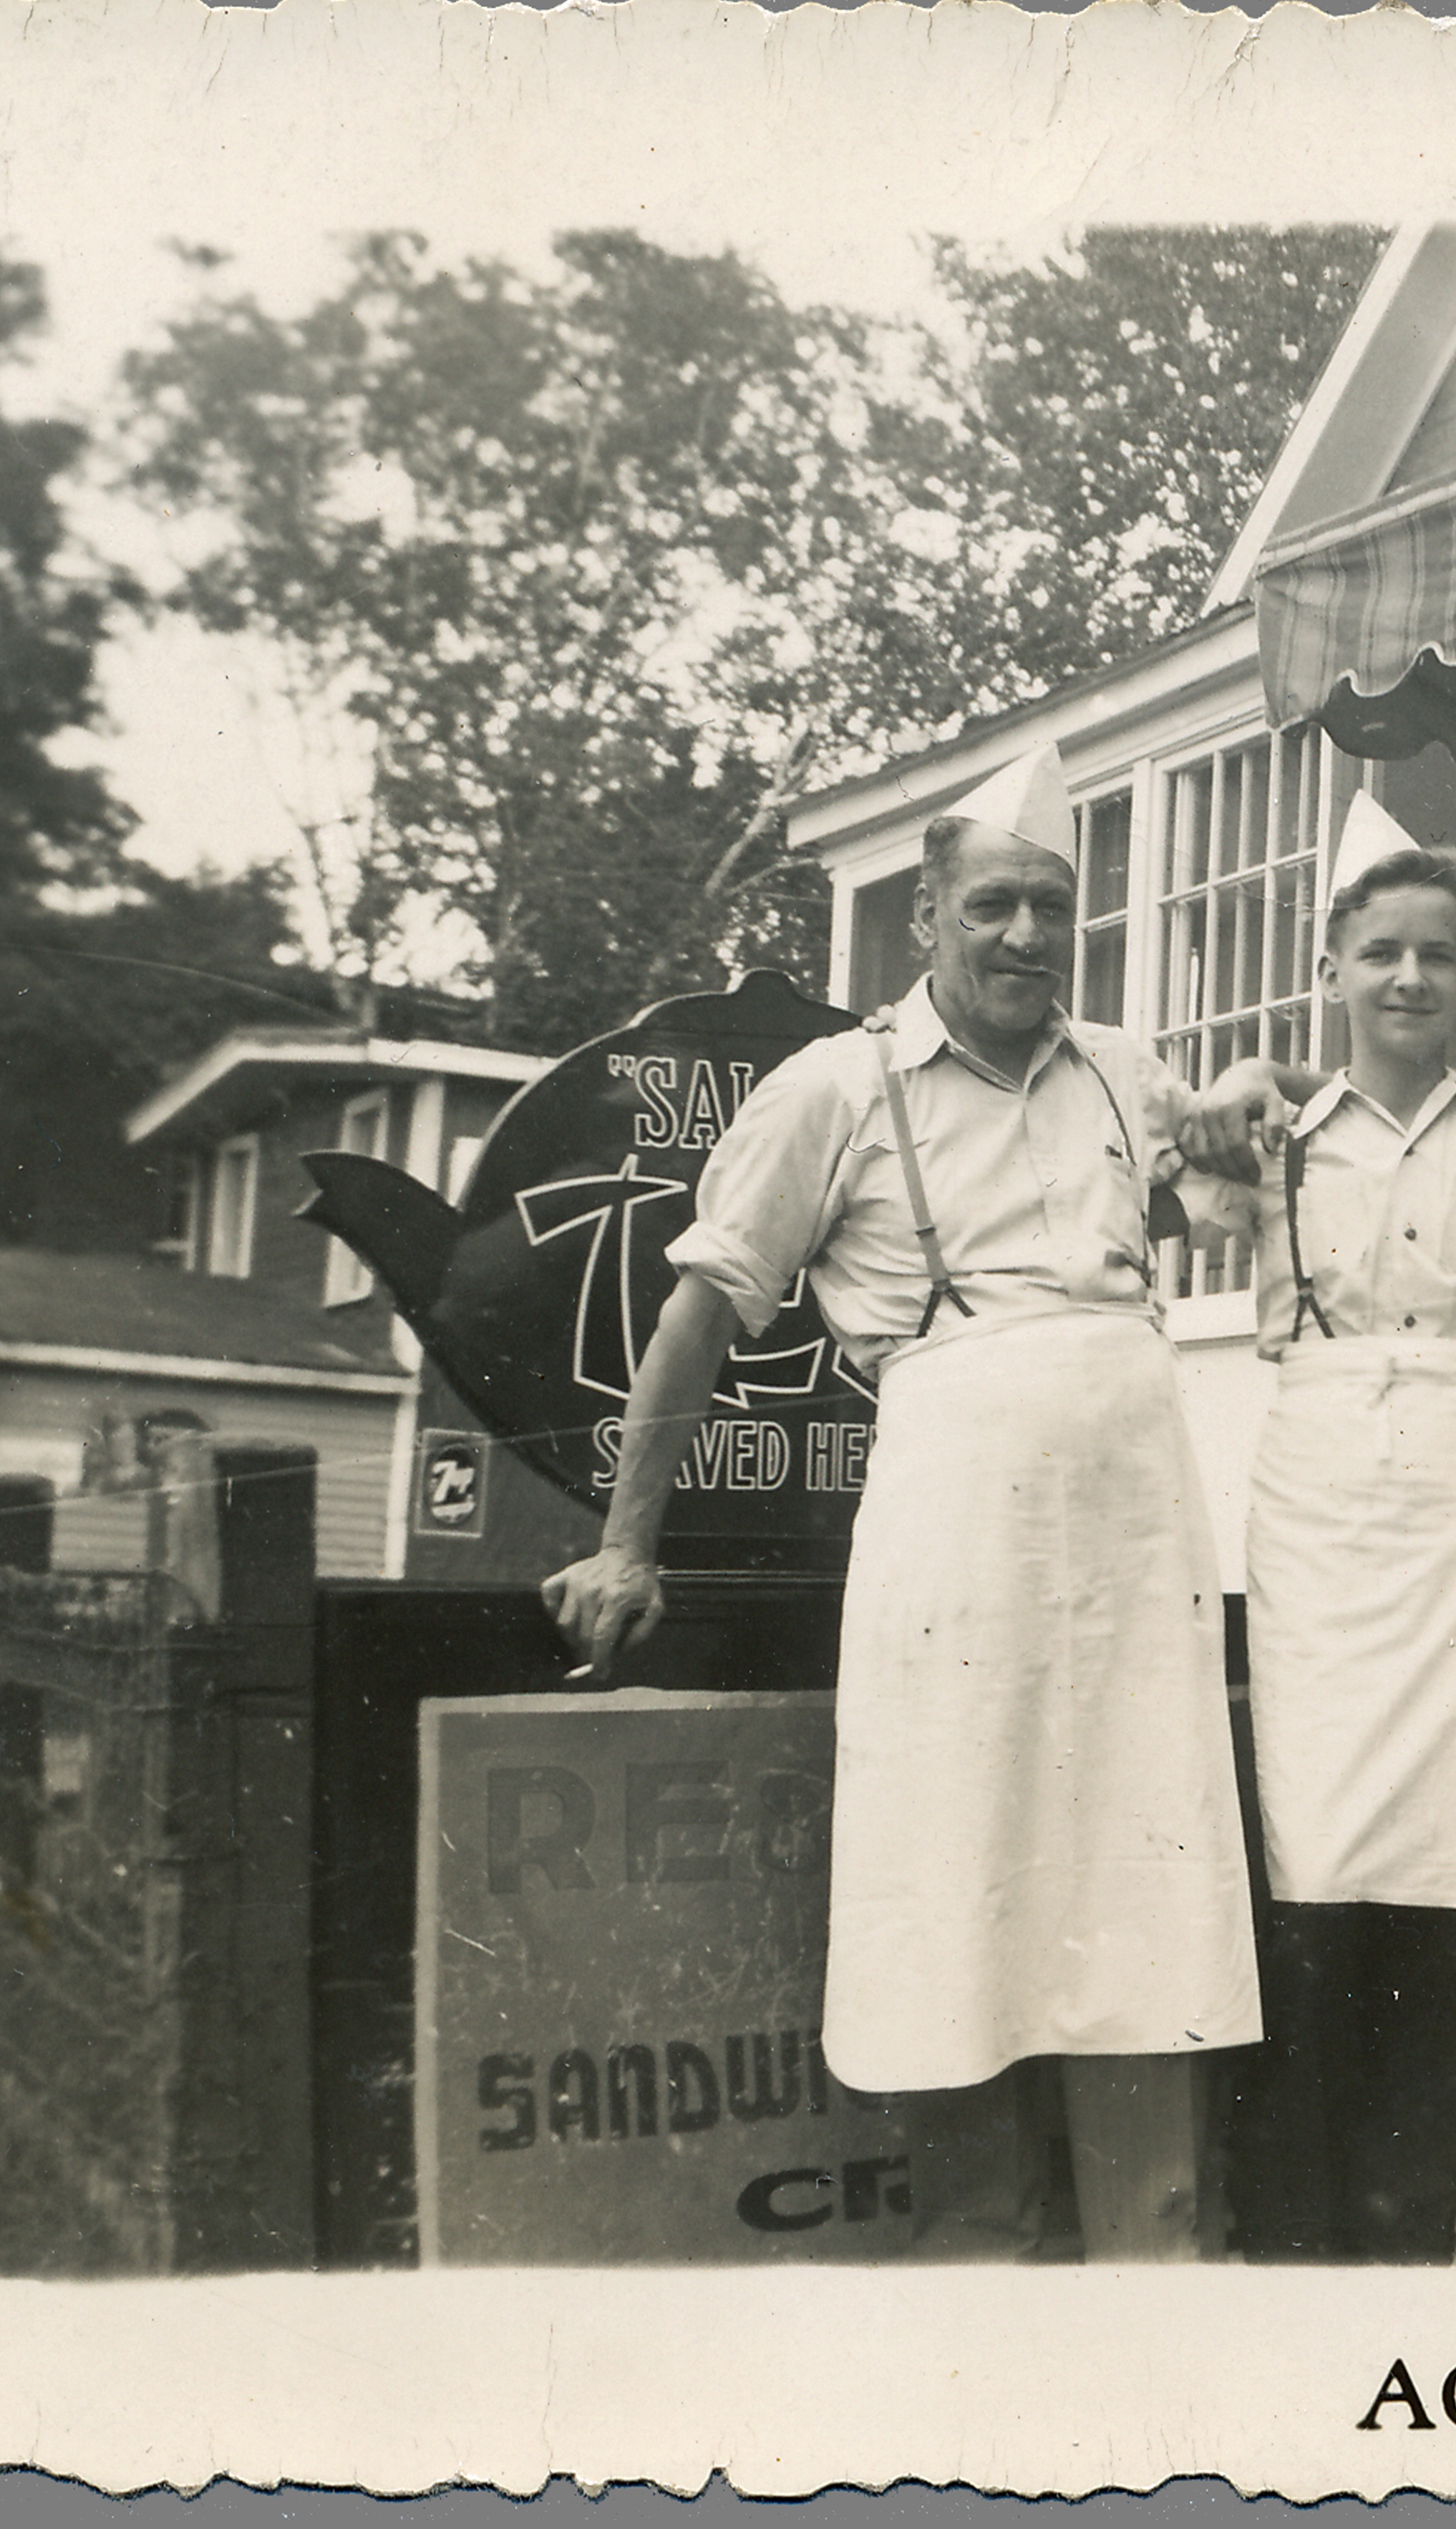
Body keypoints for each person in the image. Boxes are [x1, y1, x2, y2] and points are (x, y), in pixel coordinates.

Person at [544, 742, 1283, 2263]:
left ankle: (1161, 2302)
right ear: (925, 919)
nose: (1025, 937)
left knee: (1146, 1905)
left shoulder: (1127, 1074)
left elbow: (1250, 1193)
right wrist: (626, 1544)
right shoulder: (835, 1087)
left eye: (1051, 910)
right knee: (959, 1907)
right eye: (994, 905)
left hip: (1138, 1551)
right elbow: (695, 1320)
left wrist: (1251, 1106)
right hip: (955, 1556)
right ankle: (983, 2340)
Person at [1189, 802, 1456, 2263]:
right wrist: (1229, 1080)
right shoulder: (1264, 1138)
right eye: (1379, 950)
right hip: (1320, 1505)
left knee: (1452, 1875)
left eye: (1438, 957)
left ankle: (1409, 2245)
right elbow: (1135, 1172)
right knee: (1312, 1868)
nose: (1409, 977)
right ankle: (1292, 2248)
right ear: (1329, 963)